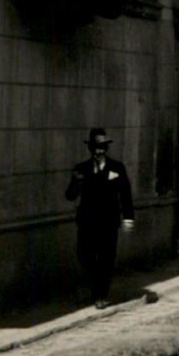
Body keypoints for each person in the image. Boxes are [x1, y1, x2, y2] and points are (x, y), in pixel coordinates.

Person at [65, 128, 135, 309]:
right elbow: (70, 196)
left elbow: (125, 194)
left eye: (102, 147)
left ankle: (101, 295)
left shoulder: (117, 168)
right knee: (84, 255)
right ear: (90, 149)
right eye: (96, 147)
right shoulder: (81, 169)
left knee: (106, 258)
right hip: (87, 221)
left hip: (109, 221)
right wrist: (77, 182)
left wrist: (128, 218)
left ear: (107, 148)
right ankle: (97, 285)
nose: (99, 151)